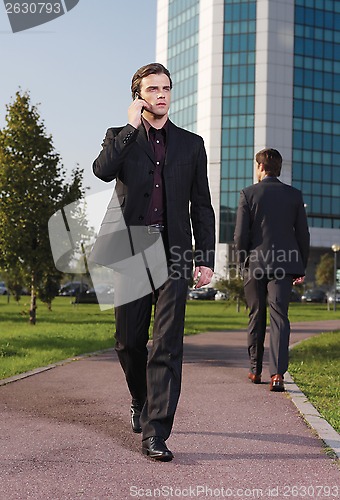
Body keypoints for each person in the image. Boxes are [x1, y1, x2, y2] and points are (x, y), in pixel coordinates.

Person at [91, 63, 215, 460]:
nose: (161, 94)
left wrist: (206, 257)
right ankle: (140, 399)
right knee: (128, 342)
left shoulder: (192, 144)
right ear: (138, 95)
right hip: (132, 248)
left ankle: (155, 432)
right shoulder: (119, 138)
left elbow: (203, 206)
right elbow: (101, 170)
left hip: (175, 250)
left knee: (166, 343)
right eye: (152, 89)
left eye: (166, 88)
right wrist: (129, 129)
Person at [234, 148, 310, 392]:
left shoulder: (248, 194)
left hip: (255, 264)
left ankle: (255, 370)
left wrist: (242, 260)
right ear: (278, 168)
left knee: (256, 315)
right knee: (280, 318)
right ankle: (277, 375)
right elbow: (303, 235)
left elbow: (240, 234)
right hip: (284, 265)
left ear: (260, 168)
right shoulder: (294, 196)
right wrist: (301, 266)